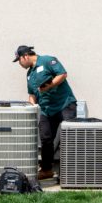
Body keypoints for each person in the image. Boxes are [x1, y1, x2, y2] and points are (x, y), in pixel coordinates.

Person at [13, 45, 77, 180]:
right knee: (46, 138)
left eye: (19, 61)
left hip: (65, 104)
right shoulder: (30, 75)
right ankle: (47, 169)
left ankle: (69, 172)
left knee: (69, 138)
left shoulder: (47, 60)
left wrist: (50, 85)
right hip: (47, 110)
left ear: (25, 56)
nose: (19, 64)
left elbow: (62, 74)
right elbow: (32, 95)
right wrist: (30, 109)